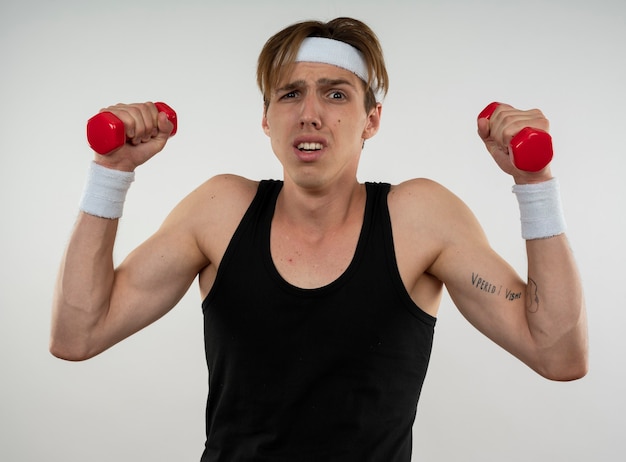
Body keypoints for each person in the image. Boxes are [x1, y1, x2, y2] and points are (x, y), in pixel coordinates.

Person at [50, 17, 588, 462]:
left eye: (336, 94)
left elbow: (558, 353)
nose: (310, 114)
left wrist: (533, 184)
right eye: (290, 94)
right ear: (266, 118)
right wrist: (110, 171)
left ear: (371, 119)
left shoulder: (419, 219)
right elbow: (78, 334)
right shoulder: (220, 212)